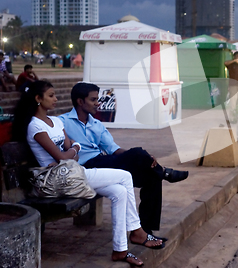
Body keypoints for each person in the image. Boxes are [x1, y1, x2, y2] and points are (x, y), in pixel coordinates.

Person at [12, 81, 164, 267]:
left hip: (71, 174)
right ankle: (137, 231)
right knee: (125, 176)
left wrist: (72, 151)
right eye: (51, 95)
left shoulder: (56, 122)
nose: (56, 99)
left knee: (119, 191)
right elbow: (63, 155)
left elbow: (70, 150)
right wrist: (72, 151)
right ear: (38, 98)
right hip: (55, 181)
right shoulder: (35, 126)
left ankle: (120, 250)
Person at [59, 82, 188, 235]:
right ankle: (164, 171)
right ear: (80, 102)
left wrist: (144, 158)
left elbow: (114, 150)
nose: (98, 103)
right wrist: (139, 156)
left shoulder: (96, 124)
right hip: (86, 167)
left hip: (104, 162)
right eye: (93, 100)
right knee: (139, 154)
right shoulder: (62, 122)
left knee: (151, 176)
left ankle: (146, 231)